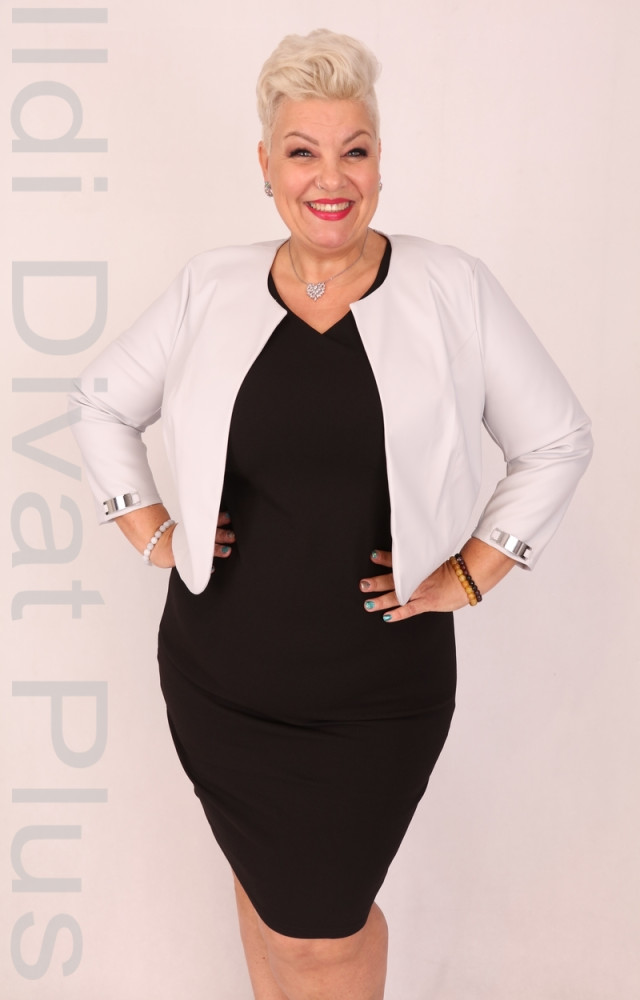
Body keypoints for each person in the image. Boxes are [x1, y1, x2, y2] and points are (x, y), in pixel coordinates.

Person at [69, 28, 593, 1000]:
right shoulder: (210, 286)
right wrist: (152, 531)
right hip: (220, 676)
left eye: (353, 150)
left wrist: (477, 568)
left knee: (323, 930)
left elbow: (556, 438)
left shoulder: (451, 286)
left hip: (376, 687)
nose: (330, 177)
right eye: (302, 151)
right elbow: (100, 403)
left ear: (380, 163)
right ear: (265, 166)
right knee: (273, 905)